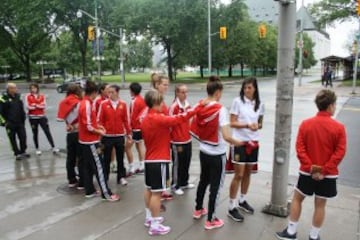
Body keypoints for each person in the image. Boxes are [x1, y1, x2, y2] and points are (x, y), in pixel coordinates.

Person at [276, 89, 346, 240]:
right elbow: (340, 152)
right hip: (328, 175)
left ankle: (291, 232)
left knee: (297, 198)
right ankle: (314, 236)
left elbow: (300, 149)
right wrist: (325, 170)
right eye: (334, 105)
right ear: (330, 106)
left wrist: (310, 168)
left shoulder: (306, 124)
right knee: (320, 205)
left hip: (307, 172)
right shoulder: (339, 128)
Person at [141, 89, 203, 236]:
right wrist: (197, 107)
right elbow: (179, 118)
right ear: (156, 102)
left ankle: (150, 217)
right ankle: (155, 225)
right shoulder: (158, 118)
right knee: (157, 193)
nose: (163, 104)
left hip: (149, 159)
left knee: (149, 189)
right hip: (159, 160)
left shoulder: (146, 118)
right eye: (161, 101)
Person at [190, 76, 244, 230]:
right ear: (218, 92)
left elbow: (191, 122)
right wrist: (238, 142)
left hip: (203, 150)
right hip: (217, 154)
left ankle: (198, 209)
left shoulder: (199, 105)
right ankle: (211, 219)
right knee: (216, 187)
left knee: (203, 181)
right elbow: (227, 136)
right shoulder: (220, 110)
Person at [227, 77, 265, 222]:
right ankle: (231, 206)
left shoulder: (260, 104)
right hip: (239, 142)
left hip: (254, 142)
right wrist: (247, 125)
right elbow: (232, 123)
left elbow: (260, 123)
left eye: (249, 87)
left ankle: (242, 200)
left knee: (248, 173)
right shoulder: (237, 101)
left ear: (255, 88)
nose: (246, 90)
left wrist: (257, 126)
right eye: (245, 87)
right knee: (239, 175)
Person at [78, 80, 120, 202]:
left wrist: (98, 127)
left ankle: (89, 190)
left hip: (85, 140)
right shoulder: (86, 104)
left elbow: (91, 122)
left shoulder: (87, 102)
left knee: (88, 167)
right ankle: (106, 193)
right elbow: (88, 125)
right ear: (95, 92)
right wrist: (99, 131)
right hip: (90, 141)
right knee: (99, 167)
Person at [97, 84, 131, 185]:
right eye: (109, 92)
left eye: (112, 92)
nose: (110, 94)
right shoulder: (103, 104)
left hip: (120, 135)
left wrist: (128, 133)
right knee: (106, 158)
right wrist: (101, 132)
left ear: (117, 92)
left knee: (120, 157)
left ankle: (121, 177)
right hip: (107, 136)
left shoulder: (123, 104)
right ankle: (105, 177)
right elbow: (99, 120)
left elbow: (126, 120)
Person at [169, 84, 195, 195]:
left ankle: (184, 182)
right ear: (177, 93)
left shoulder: (188, 105)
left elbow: (190, 121)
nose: (185, 94)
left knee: (186, 162)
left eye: (186, 92)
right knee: (177, 164)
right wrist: (172, 139)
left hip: (187, 139)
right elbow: (169, 123)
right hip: (177, 141)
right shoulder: (174, 107)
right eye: (183, 92)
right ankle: (175, 184)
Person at [57, 84, 83, 188]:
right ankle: (82, 181)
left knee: (70, 157)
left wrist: (69, 125)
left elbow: (62, 117)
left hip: (70, 133)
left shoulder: (63, 102)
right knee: (81, 158)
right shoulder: (79, 103)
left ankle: (71, 179)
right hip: (79, 132)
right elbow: (82, 117)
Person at [25, 83, 59, 155]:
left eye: (34, 88)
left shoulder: (41, 96)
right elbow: (28, 106)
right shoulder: (28, 96)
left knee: (47, 132)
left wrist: (35, 105)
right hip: (33, 117)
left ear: (37, 88)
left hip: (42, 116)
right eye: (31, 88)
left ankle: (53, 147)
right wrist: (36, 106)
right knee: (35, 133)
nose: (33, 89)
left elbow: (44, 106)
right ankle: (37, 148)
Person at [0, 83, 29, 160]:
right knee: (12, 139)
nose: (16, 89)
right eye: (13, 88)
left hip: (19, 122)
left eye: (16, 88)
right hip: (10, 123)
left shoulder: (18, 97)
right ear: (9, 89)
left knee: (23, 137)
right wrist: (4, 122)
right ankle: (17, 153)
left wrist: (23, 117)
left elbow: (21, 108)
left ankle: (23, 151)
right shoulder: (3, 98)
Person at [125, 82, 146, 175]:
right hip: (141, 127)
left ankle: (131, 167)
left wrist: (129, 129)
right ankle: (142, 165)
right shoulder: (142, 100)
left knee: (127, 147)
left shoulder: (134, 101)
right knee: (139, 145)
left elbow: (132, 116)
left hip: (135, 128)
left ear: (132, 91)